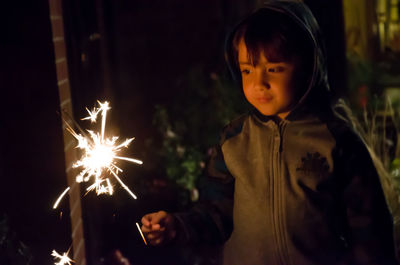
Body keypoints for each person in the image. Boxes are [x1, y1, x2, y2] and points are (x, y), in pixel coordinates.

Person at [141, 0, 398, 264]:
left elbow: (370, 228)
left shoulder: (336, 141)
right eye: (247, 70)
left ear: (309, 66)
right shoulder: (234, 139)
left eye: (274, 69)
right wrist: (177, 225)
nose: (258, 83)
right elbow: (215, 212)